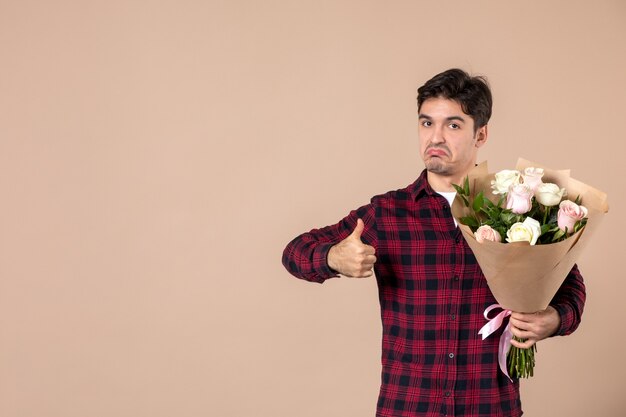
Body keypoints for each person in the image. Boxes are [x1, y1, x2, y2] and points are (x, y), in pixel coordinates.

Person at [281, 68, 585, 417]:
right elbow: (294, 253)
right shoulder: (387, 213)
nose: (435, 137)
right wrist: (333, 257)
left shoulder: (518, 210)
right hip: (408, 407)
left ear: (481, 134)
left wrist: (554, 319)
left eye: (453, 125)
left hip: (491, 407)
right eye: (427, 123)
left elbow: (571, 287)